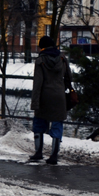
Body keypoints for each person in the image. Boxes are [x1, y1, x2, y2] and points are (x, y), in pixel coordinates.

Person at [30, 36, 72, 164]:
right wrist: (63, 88)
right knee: (57, 123)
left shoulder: (40, 60)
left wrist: (35, 102)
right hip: (59, 96)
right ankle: (54, 155)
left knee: (39, 122)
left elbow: (38, 83)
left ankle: (38, 152)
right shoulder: (62, 58)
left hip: (44, 96)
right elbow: (69, 77)